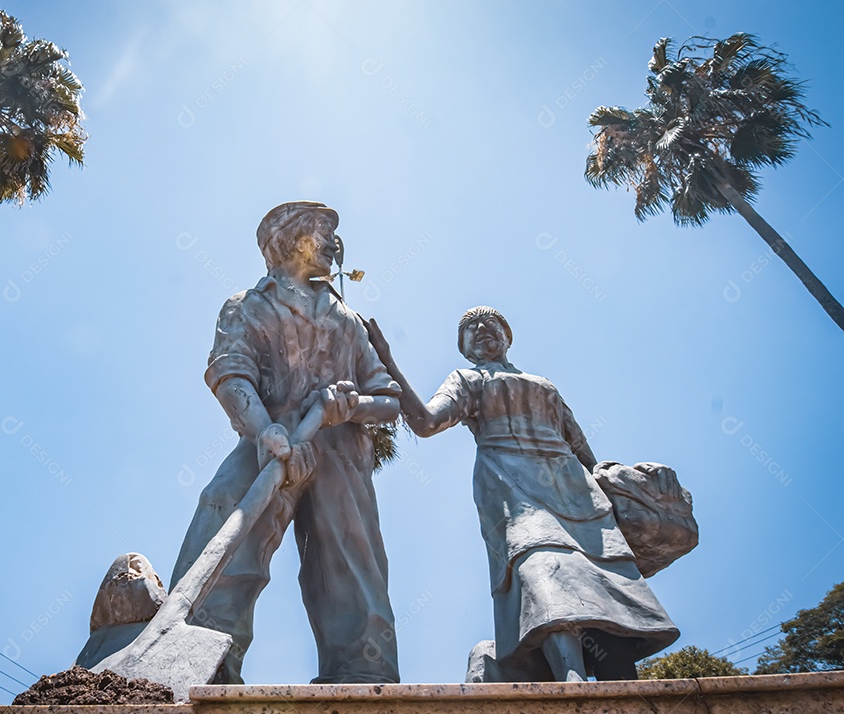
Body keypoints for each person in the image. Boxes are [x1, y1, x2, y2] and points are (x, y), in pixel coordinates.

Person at [367, 307, 679, 681]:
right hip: (511, 488)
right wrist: (387, 361)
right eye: (470, 329)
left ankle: (622, 685)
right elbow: (427, 422)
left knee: (602, 577)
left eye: (491, 323)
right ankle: (571, 680)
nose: (482, 329)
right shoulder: (467, 379)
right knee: (540, 567)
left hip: (575, 488)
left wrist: (615, 483)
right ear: (464, 349)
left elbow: (580, 446)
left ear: (507, 336)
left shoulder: (543, 384)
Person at [170, 201, 402, 684]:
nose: (333, 243)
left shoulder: (348, 321)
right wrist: (264, 430)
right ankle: (199, 658)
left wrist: (351, 406)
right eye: (322, 231)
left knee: (351, 561)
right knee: (223, 517)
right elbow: (231, 373)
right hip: (267, 440)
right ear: (290, 239)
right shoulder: (249, 305)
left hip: (341, 454)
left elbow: (389, 401)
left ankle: (362, 676)